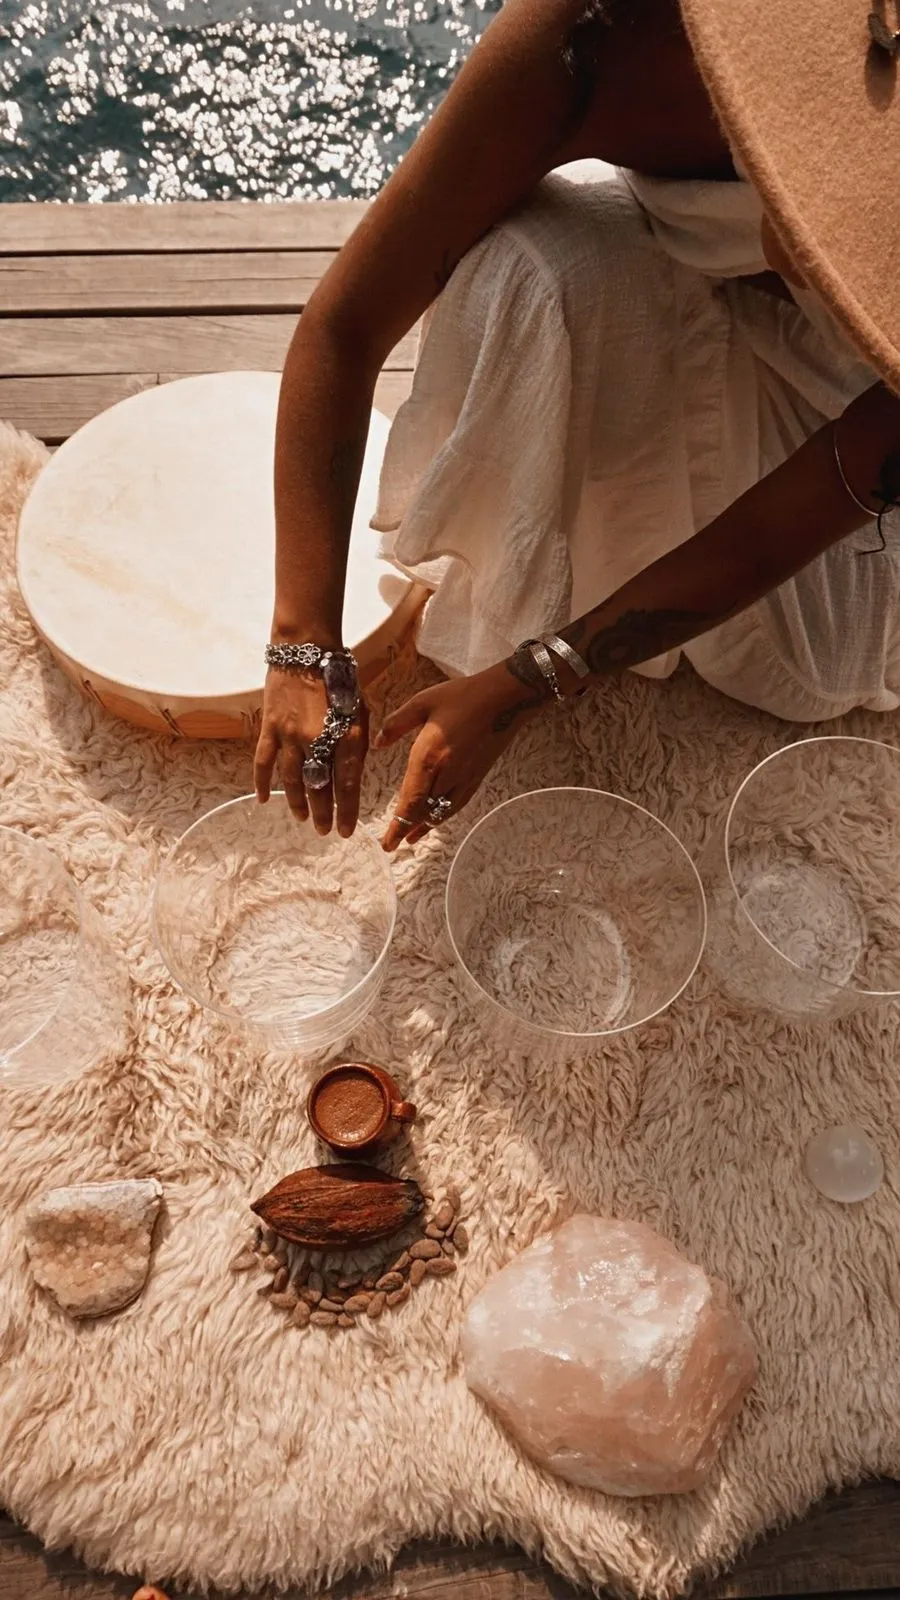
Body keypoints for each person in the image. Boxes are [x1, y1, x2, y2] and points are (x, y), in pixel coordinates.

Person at [253, 0, 900, 852]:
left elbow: (794, 520)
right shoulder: (598, 37)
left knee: (804, 669)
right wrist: (302, 643)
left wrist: (531, 681)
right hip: (711, 313)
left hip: (846, 441)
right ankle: (529, 592)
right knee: (527, 264)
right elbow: (345, 327)